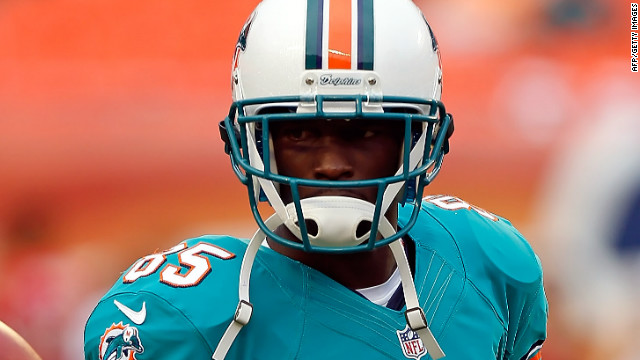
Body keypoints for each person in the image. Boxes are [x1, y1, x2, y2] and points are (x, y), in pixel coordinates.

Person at [84, 0, 547, 359]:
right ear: (253, 143)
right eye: (301, 132)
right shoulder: (185, 322)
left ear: (422, 140)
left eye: (364, 131)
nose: (331, 164)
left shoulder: (489, 261)